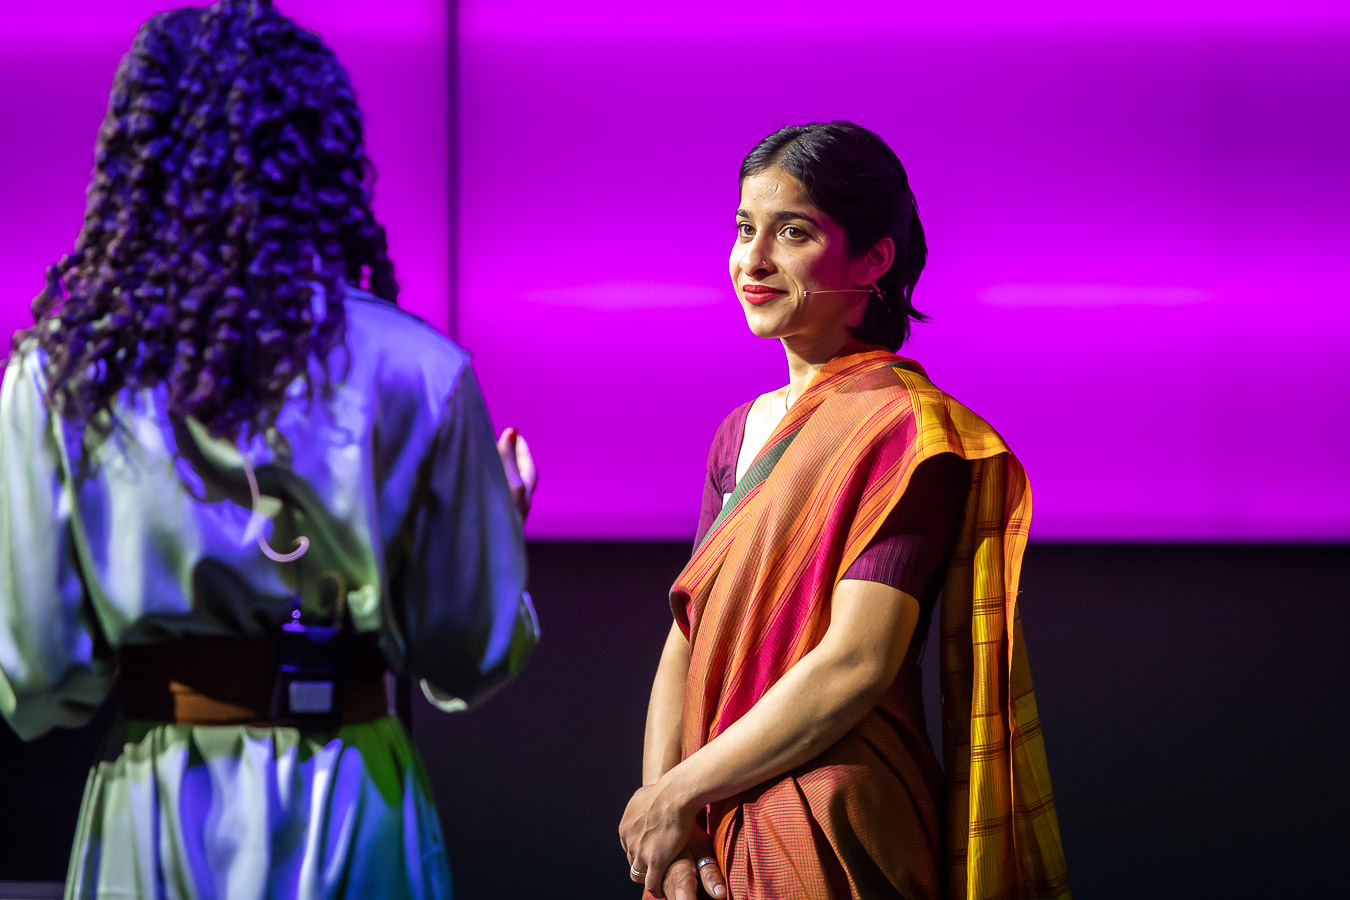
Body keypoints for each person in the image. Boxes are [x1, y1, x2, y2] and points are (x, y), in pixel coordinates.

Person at [0, 2, 538, 897]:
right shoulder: (419, 370)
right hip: (353, 797)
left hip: (153, 810)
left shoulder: (57, 377)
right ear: (323, 157)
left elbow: (39, 681)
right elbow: (466, 657)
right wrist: (496, 535)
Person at [619, 121, 1070, 900]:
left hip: (828, 815)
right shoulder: (739, 431)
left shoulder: (907, 430)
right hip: (711, 810)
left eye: (792, 232)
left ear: (873, 259)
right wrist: (670, 809)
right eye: (744, 228)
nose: (753, 260)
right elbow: (686, 636)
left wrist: (681, 790)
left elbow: (858, 660)